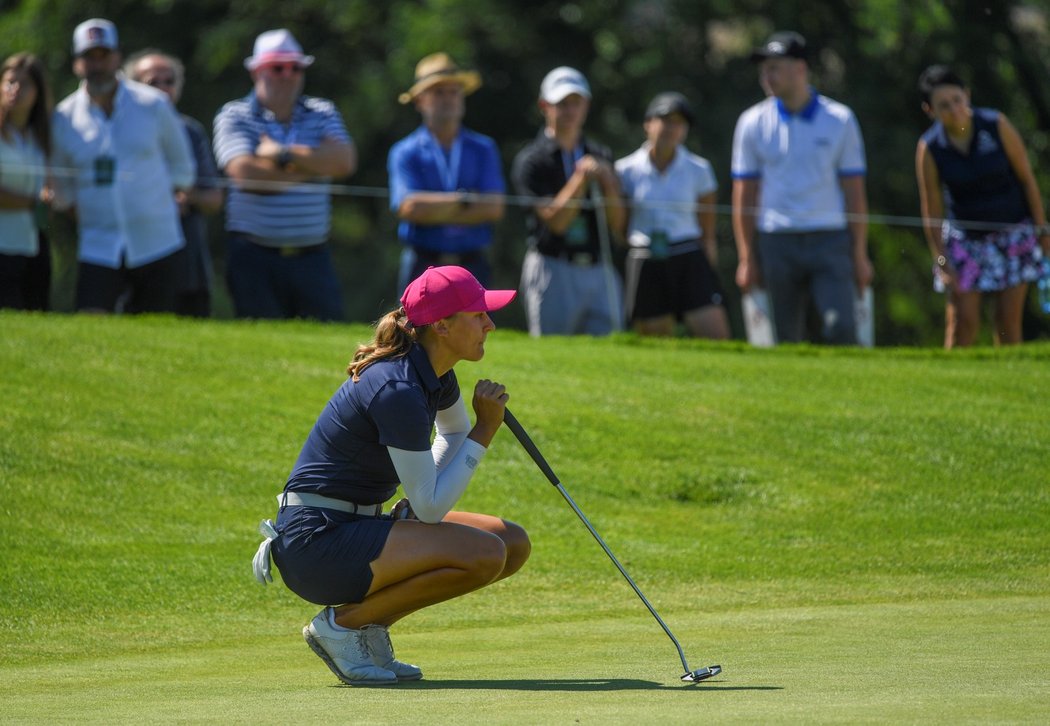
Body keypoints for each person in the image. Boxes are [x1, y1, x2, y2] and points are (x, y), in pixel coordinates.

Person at [252, 265, 530, 686]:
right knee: (484, 553)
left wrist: (424, 494)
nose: (490, 323)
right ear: (441, 324)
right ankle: (343, 627)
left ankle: (369, 626)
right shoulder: (397, 387)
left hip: (357, 526)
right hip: (317, 544)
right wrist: (485, 430)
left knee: (511, 543)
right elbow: (433, 507)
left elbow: (451, 431)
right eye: (478, 315)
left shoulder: (434, 372)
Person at [731, 31, 873, 344]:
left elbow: (854, 192)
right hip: (776, 241)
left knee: (841, 329)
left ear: (800, 69)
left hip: (830, 239)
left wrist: (859, 254)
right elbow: (744, 195)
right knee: (784, 338)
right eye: (764, 69)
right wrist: (746, 257)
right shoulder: (751, 122)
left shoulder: (840, 119)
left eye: (774, 67)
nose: (766, 76)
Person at [51, 18, 196, 314]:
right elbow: (62, 187)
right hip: (98, 246)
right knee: (93, 331)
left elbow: (182, 165)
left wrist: (173, 197)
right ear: (77, 63)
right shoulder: (63, 119)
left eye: (104, 56)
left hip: (158, 243)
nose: (97, 65)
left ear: (117, 57)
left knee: (162, 334)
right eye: (89, 57)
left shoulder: (153, 104)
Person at [213, 28, 356, 321]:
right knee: (257, 345)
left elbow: (343, 162)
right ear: (256, 72)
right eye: (277, 68)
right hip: (254, 255)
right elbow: (245, 174)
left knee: (327, 341)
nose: (288, 74)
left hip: (313, 256)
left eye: (296, 67)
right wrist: (313, 168)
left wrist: (281, 155)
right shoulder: (234, 114)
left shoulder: (323, 111)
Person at [915, 65, 1050, 348]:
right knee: (962, 321)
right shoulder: (930, 148)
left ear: (967, 95)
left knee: (1006, 323)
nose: (954, 109)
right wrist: (941, 260)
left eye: (957, 99)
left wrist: (1042, 231)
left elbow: (1027, 180)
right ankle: (948, 386)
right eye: (944, 105)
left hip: (1014, 235)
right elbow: (932, 209)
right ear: (930, 110)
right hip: (966, 240)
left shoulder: (996, 125)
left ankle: (1008, 386)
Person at [511, 66, 625, 336]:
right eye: (562, 103)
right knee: (552, 353)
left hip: (599, 267)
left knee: (609, 354)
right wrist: (580, 179)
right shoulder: (531, 160)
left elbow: (618, 226)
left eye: (577, 102)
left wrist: (609, 184)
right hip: (553, 267)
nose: (570, 111)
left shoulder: (601, 154)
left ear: (586, 105)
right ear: (544, 106)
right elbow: (557, 222)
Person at [616, 92, 730, 338]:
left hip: (689, 255)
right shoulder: (625, 170)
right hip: (645, 258)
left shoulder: (699, 169)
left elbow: (707, 225)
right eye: (665, 120)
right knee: (656, 345)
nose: (672, 128)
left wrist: (710, 260)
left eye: (679, 123)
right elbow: (620, 224)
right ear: (648, 124)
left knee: (716, 337)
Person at [388, 53, 505, 291]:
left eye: (454, 91)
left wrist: (434, 209)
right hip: (423, 264)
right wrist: (466, 201)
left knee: (478, 328)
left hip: (472, 263)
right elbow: (409, 208)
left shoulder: (484, 148)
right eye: (438, 92)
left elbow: (494, 207)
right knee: (415, 329)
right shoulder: (405, 151)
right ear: (420, 100)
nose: (448, 99)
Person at [125, 50, 224, 318]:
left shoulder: (191, 131)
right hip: (135, 255)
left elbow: (213, 198)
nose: (163, 89)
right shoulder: (120, 131)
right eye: (152, 83)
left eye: (169, 82)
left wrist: (187, 198)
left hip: (187, 259)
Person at [0, 53, 52, 311]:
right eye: (10, 82)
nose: (16, 90)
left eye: (25, 84)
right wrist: (33, 202)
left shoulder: (39, 137)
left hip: (31, 242)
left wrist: (46, 194)